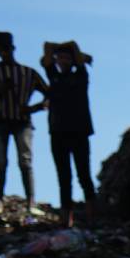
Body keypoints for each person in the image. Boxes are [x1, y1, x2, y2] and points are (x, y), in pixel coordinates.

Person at [0, 31, 46, 205]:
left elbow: (50, 93)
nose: (3, 53)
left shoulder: (29, 73)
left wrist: (33, 108)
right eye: (0, 50)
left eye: (5, 49)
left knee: (25, 161)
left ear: (12, 49)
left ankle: (30, 201)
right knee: (0, 161)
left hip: (22, 122)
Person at [40, 41, 95, 225]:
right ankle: (66, 219)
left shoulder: (80, 75)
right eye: (60, 58)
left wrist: (76, 53)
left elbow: (74, 44)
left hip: (79, 131)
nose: (63, 61)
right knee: (64, 177)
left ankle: (92, 216)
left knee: (84, 175)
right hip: (58, 132)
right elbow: (46, 46)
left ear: (73, 60)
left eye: (67, 58)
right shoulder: (54, 76)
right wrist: (57, 52)